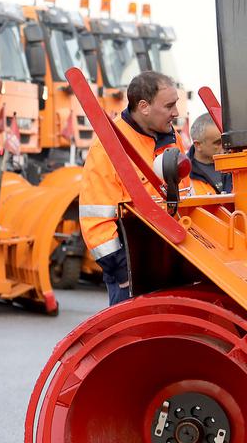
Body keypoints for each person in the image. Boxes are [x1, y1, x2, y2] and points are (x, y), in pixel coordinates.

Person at [80, 70, 189, 307]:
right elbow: (95, 217)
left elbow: (187, 200)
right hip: (132, 273)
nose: (176, 113)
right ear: (144, 106)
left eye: (176, 104)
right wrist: (123, 273)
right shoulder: (107, 147)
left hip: (172, 261)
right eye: (169, 105)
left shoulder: (172, 139)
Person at [187, 112, 231, 195]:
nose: (225, 146)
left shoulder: (237, 166)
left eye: (226, 140)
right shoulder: (182, 175)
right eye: (218, 143)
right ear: (198, 145)